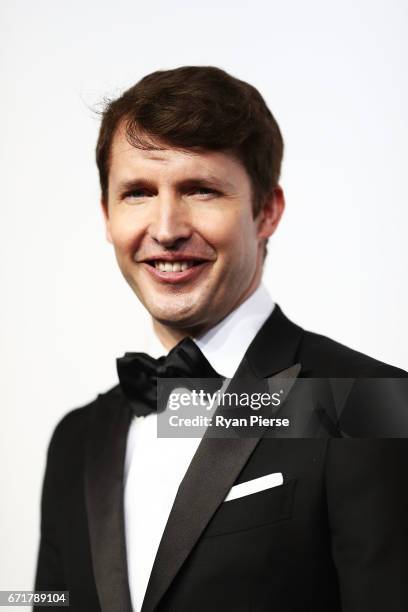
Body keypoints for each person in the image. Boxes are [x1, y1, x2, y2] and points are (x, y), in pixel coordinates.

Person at [34, 66, 408, 612]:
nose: (165, 228)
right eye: (137, 193)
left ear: (267, 211)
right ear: (106, 215)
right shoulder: (75, 440)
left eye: (201, 190)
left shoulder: (369, 406)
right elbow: (49, 603)